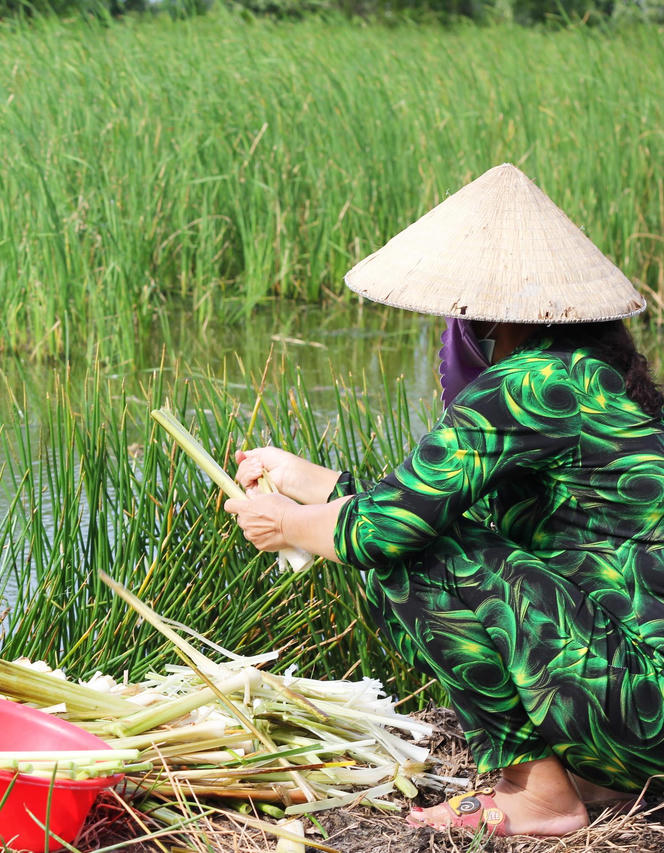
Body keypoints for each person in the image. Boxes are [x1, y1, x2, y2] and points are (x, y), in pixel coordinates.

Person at [225, 163, 664, 836]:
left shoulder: (531, 383)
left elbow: (391, 533)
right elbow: (447, 515)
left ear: (493, 314)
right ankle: (588, 771)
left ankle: (539, 793)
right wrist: (315, 486)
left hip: (640, 708)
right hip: (636, 702)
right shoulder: (586, 376)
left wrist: (284, 522)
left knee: (408, 556)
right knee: (426, 541)